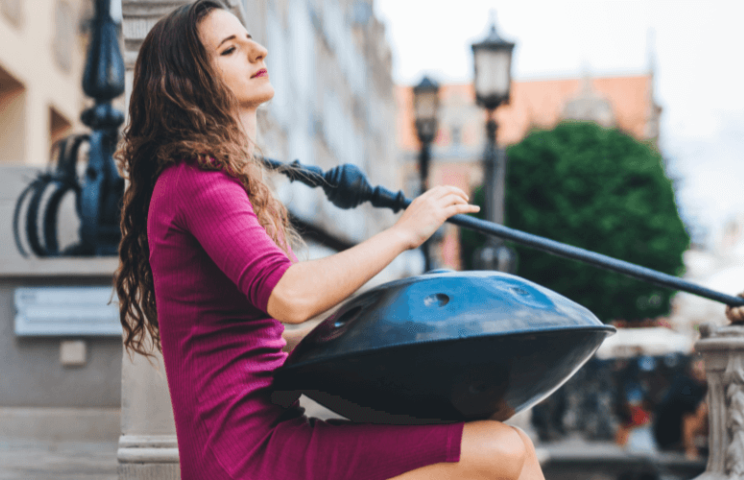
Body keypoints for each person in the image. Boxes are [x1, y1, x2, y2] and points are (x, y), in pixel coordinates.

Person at [113, 1, 545, 479]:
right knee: (502, 453)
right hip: (247, 461)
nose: (259, 50)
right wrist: (404, 233)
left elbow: (255, 342)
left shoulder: (214, 180)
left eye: (249, 38)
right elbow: (291, 296)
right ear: (190, 81)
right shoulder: (197, 181)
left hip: (265, 443)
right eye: (230, 49)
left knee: (509, 447)